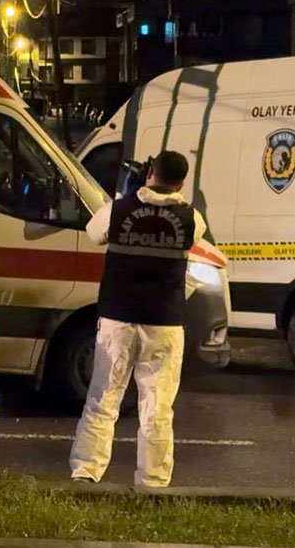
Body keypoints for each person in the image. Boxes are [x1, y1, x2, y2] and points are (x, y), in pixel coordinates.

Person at [68, 150, 207, 487]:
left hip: (118, 319)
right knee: (157, 408)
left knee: (103, 399)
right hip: (164, 323)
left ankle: (86, 472)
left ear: (150, 174)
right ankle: (153, 482)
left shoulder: (119, 210)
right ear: (183, 182)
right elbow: (184, 229)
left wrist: (128, 196)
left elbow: (92, 231)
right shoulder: (192, 219)